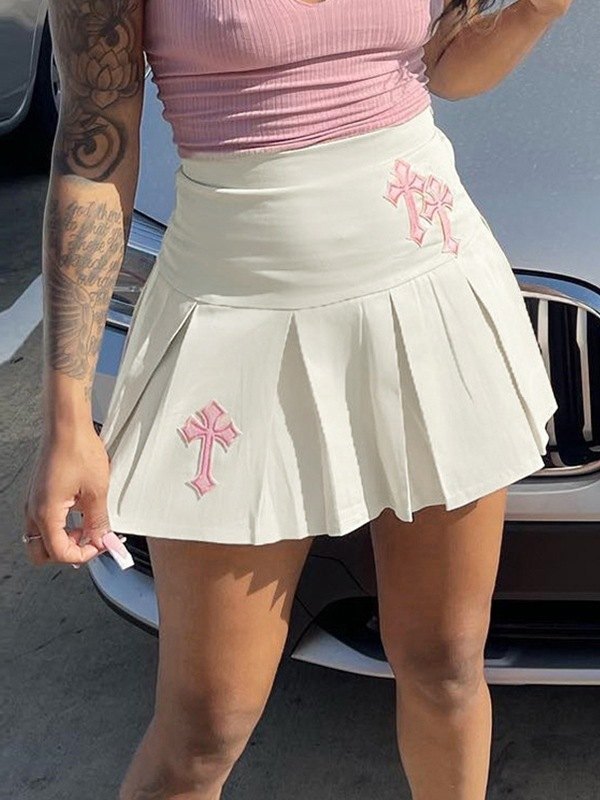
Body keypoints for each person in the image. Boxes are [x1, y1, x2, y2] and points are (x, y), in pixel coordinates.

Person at [23, 0, 570, 797]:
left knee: (446, 662)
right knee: (205, 726)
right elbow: (93, 146)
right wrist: (68, 413)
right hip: (234, 322)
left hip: (428, 293)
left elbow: (445, 67)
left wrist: (537, 11)